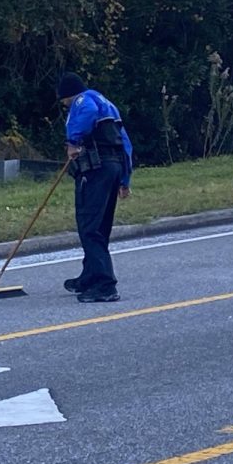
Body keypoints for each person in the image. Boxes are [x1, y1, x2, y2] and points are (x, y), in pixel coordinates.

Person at [57, 72, 133, 303]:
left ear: (66, 95)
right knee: (101, 226)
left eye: (63, 101)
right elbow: (125, 142)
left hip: (95, 169)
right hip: (114, 167)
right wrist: (125, 178)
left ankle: (104, 284)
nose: (64, 105)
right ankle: (89, 276)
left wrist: (74, 141)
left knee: (89, 226)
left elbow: (87, 113)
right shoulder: (107, 104)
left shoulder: (83, 100)